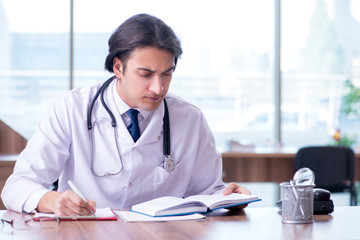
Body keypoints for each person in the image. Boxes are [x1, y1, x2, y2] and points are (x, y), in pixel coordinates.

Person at [1, 13, 250, 216]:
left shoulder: (190, 119)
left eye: (167, 73)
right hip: (86, 233)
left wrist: (229, 197)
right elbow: (16, 187)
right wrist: (49, 200)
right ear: (118, 67)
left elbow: (207, 193)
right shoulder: (71, 108)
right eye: (146, 74)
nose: (159, 88)